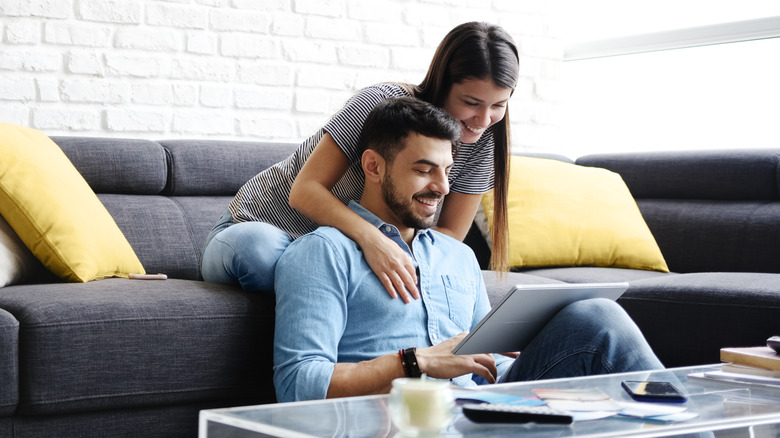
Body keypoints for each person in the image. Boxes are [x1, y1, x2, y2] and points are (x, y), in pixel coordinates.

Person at [272, 97, 664, 403]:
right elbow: (296, 383)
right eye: (424, 170)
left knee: (596, 315)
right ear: (374, 167)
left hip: (481, 404)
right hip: (407, 417)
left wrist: (509, 357)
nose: (442, 187)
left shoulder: (456, 255)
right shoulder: (322, 253)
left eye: (447, 170)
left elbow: (482, 362)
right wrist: (415, 362)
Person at [201, 22, 517, 300]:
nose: (484, 119)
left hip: (340, 256)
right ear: (443, 82)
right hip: (264, 229)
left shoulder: (483, 143)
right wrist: (373, 242)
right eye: (471, 103)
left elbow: (448, 236)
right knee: (262, 253)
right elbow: (304, 191)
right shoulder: (379, 104)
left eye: (498, 105)